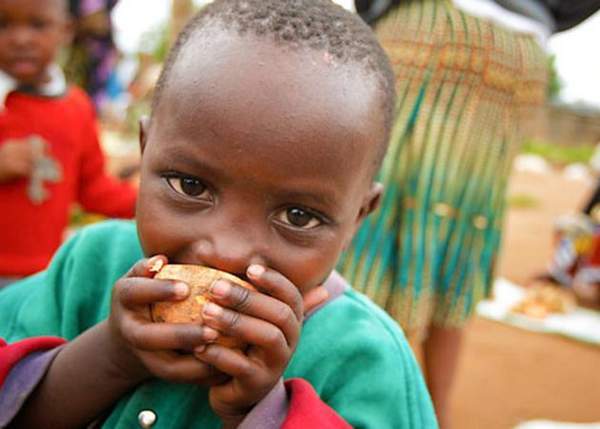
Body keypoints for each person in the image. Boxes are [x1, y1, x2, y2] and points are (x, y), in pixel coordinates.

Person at [0, 1, 438, 428]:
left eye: (299, 217)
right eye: (190, 186)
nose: (225, 253)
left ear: (358, 217)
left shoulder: (364, 359)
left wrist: (264, 412)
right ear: (145, 150)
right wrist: (111, 356)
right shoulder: (87, 268)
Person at [0, 0, 137, 287]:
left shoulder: (76, 108)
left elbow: (93, 189)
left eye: (38, 25)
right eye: (3, 25)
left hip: (42, 277)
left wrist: (150, 201)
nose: (21, 39)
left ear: (66, 30)